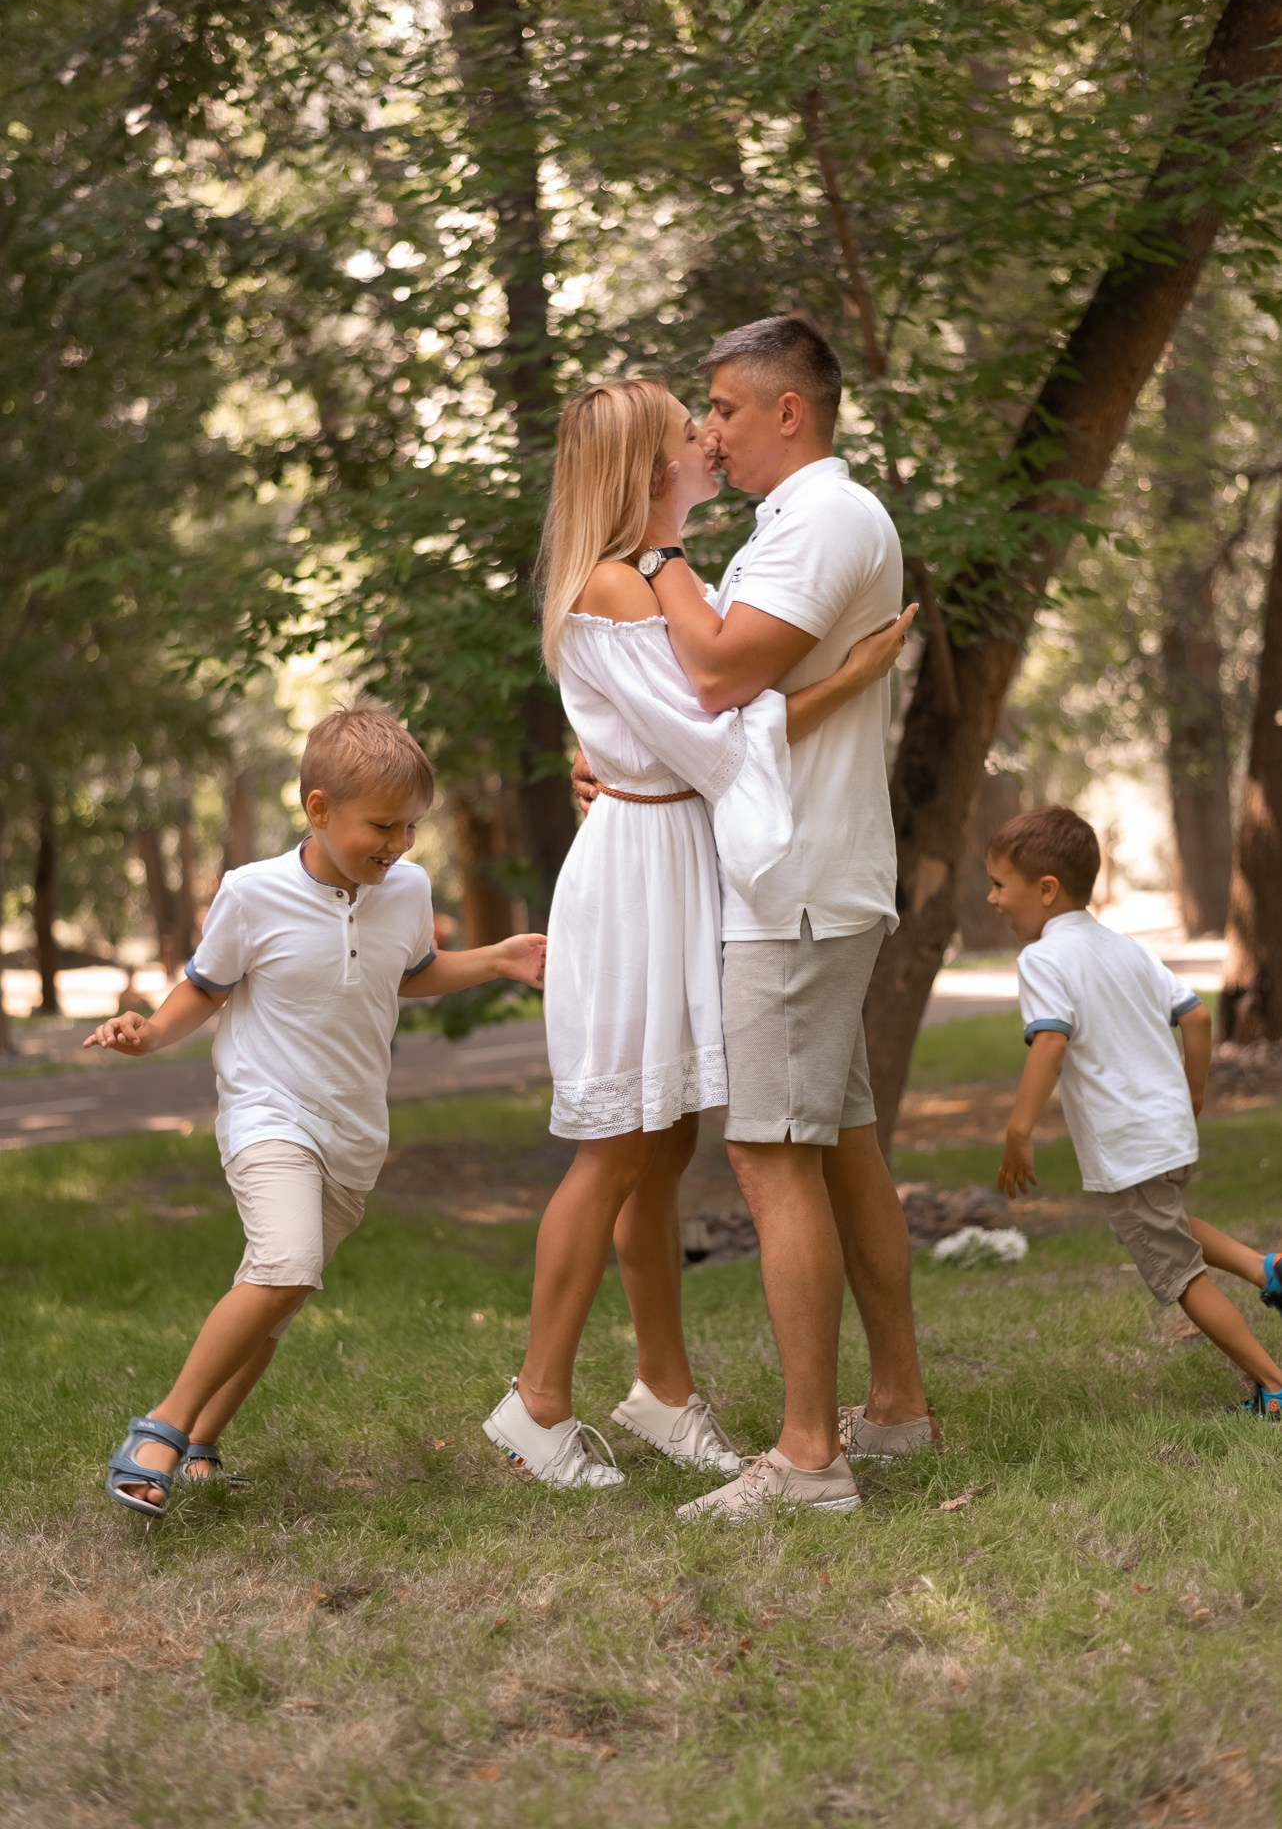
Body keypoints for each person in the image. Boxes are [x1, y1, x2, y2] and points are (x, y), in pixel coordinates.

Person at [482, 377, 915, 1494]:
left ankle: (663, 1391)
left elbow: (682, 725)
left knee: (663, 1141)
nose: (707, 443)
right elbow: (714, 740)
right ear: (645, 467)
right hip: (639, 878)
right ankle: (535, 1402)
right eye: (688, 431)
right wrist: (850, 679)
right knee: (622, 1142)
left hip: (672, 857)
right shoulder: (623, 586)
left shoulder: (651, 580)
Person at [87, 700, 546, 1519]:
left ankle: (200, 1444)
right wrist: (149, 1033)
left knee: (276, 1289)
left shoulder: (404, 889)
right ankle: (156, 1428)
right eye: (384, 826)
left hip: (354, 1130)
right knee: (286, 1265)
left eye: (411, 827)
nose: (400, 844)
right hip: (270, 1112)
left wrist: (501, 960)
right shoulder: (251, 893)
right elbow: (204, 988)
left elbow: (406, 973)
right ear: (319, 809)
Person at [988, 804, 1282, 1417]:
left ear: (1045, 890)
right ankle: (1268, 1269)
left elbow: (1050, 1040)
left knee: (1178, 1277)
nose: (991, 899)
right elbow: (1196, 1016)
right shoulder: (1125, 947)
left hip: (1127, 1140)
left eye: (998, 884)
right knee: (1165, 1219)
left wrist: (1019, 1130)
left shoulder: (1043, 959)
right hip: (1166, 1127)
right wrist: (1192, 1092)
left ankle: (1273, 1384)